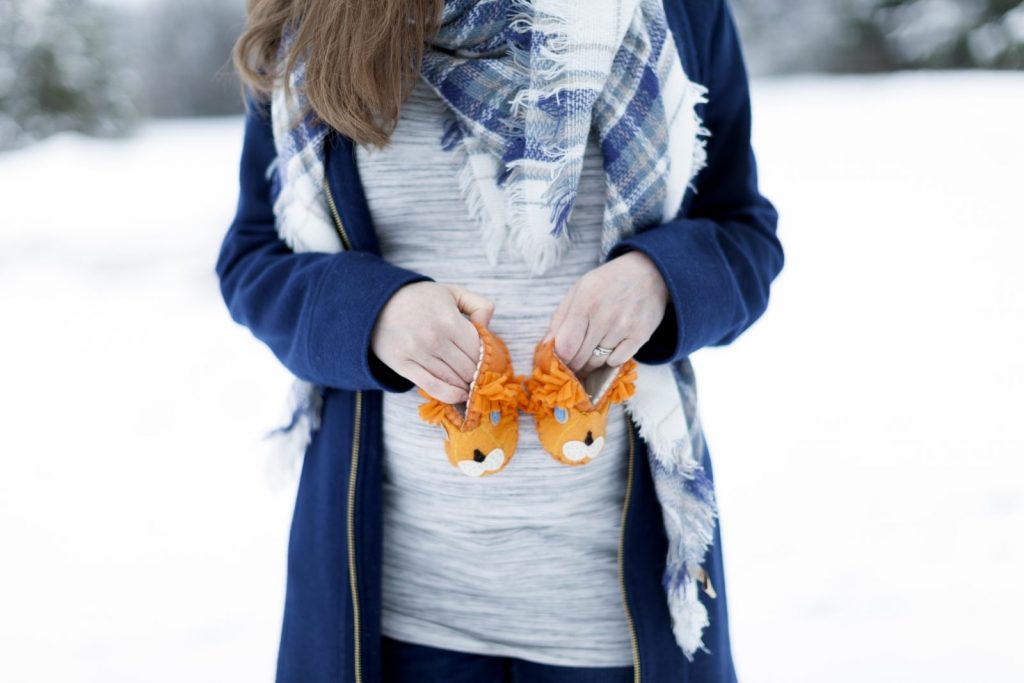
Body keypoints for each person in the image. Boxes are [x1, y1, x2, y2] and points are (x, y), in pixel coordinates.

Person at [217, 0, 783, 681]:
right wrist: (372, 312)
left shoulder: (674, 10)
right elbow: (252, 259)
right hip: (392, 613)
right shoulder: (315, 17)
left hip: (611, 617)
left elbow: (743, 233)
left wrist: (661, 279)